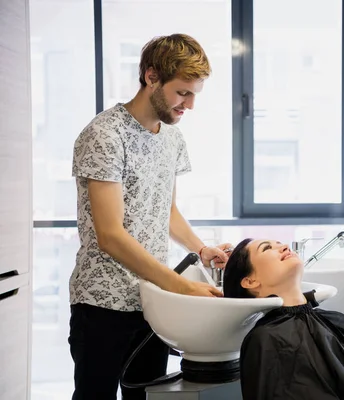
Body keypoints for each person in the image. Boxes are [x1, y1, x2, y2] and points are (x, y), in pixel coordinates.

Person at [68, 33, 231, 400]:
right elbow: (109, 235)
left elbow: (165, 210)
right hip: (102, 303)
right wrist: (181, 286)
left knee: (146, 397)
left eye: (194, 95)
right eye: (182, 92)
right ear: (152, 77)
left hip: (152, 301)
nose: (188, 105)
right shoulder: (105, 136)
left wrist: (201, 249)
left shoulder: (172, 139)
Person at [222, 238, 344, 400]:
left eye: (280, 243)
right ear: (250, 281)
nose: (283, 247)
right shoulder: (267, 339)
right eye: (267, 248)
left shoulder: (335, 319)